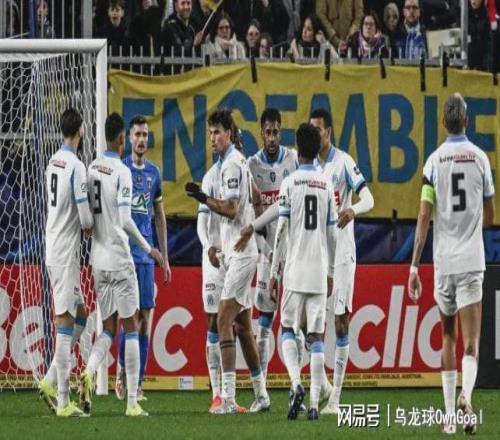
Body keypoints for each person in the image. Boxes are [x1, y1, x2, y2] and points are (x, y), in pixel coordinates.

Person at [407, 93, 495, 435]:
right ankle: (466, 396)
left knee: (447, 335)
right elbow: (491, 216)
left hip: (443, 262)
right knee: (471, 342)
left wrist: (414, 266)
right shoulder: (481, 159)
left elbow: (423, 217)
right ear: (467, 122)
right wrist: (473, 225)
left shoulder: (433, 163)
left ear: (443, 123)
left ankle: (448, 419)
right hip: (471, 261)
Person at [185, 108, 270, 414]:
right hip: (237, 253)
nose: (213, 138)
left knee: (222, 320)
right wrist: (253, 226)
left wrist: (204, 199)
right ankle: (262, 395)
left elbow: (232, 209)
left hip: (242, 257)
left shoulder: (233, 163)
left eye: (218, 132)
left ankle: (229, 399)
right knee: (244, 327)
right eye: (210, 133)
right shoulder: (231, 164)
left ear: (229, 134)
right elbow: (256, 197)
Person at [80, 113, 163, 417]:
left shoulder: (91, 168)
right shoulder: (122, 171)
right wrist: (149, 248)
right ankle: (131, 403)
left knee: (108, 327)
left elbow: (86, 217)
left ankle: (88, 372)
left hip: (97, 261)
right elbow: (126, 220)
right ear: (121, 139)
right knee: (131, 327)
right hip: (119, 258)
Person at [269, 123, 337, 421]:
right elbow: (332, 234)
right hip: (319, 271)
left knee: (287, 329)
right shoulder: (326, 184)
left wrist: (273, 273)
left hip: (294, 271)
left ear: (298, 150)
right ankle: (313, 405)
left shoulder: (289, 183)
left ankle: (296, 382)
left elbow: (281, 231)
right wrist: (331, 271)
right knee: (316, 336)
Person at [41, 108, 93, 417]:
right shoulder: (76, 165)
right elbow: (85, 216)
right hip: (63, 252)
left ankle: (50, 379)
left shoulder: (53, 160)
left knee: (81, 315)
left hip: (55, 245)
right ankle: (62, 400)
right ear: (81, 130)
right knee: (65, 321)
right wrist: (90, 225)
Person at [115, 115, 171, 401]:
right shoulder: (121, 169)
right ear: (129, 137)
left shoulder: (154, 173)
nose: (141, 139)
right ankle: (121, 371)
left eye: (145, 135)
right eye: (137, 134)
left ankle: (138, 383)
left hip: (147, 257)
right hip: (125, 255)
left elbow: (158, 215)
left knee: (146, 319)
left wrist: (166, 258)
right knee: (129, 318)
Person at [247, 109, 299, 379]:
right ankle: (263, 386)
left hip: (293, 253)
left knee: (294, 322)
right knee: (264, 324)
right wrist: (264, 250)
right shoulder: (251, 166)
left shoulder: (293, 160)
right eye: (267, 132)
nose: (271, 137)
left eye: (275, 132)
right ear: (261, 133)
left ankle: (297, 383)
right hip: (267, 254)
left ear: (281, 132)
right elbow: (251, 216)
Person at [197, 152, 225, 413]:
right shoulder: (210, 178)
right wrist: (208, 248)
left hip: (236, 258)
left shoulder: (242, 172)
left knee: (238, 323)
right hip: (214, 259)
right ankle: (216, 393)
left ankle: (229, 393)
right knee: (214, 322)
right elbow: (201, 224)